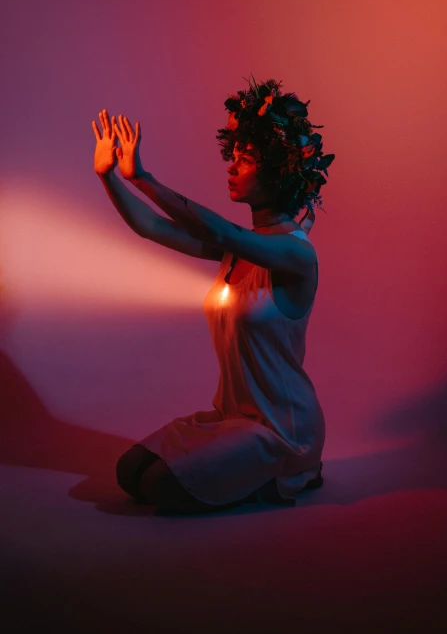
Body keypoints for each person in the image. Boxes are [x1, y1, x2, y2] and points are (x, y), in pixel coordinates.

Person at [92, 76, 334, 514]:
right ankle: (242, 468)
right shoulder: (236, 249)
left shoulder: (296, 254)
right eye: (234, 156)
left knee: (162, 487)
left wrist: (143, 178)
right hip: (232, 418)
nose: (231, 167)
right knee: (130, 472)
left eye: (245, 160)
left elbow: (221, 230)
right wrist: (109, 177)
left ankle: (291, 469)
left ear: (278, 172)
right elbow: (153, 228)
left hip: (281, 427)